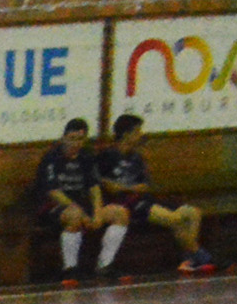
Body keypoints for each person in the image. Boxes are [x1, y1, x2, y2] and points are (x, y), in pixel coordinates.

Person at [91, 113, 215, 278]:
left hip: (144, 199)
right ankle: (200, 255)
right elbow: (108, 186)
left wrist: (125, 187)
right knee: (175, 219)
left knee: (193, 213)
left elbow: (143, 186)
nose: (140, 135)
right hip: (127, 204)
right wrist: (128, 189)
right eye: (137, 131)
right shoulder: (107, 156)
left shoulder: (136, 157)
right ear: (126, 134)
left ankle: (190, 259)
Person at [32, 118, 101, 286]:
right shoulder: (51, 158)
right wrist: (81, 212)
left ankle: (105, 266)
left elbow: (94, 188)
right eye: (71, 139)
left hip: (81, 205)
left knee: (118, 213)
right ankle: (70, 268)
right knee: (74, 216)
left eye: (79, 139)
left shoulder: (86, 157)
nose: (75, 143)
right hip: (52, 207)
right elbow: (53, 191)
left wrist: (98, 212)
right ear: (63, 138)